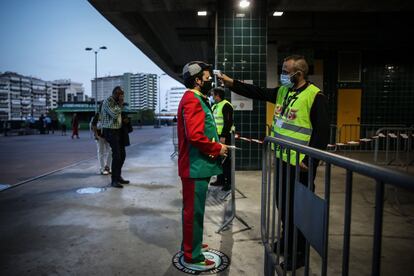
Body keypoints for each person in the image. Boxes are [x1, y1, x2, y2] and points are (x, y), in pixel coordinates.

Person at [217, 55, 329, 270]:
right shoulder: (283, 92)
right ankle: (287, 241)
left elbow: (322, 133)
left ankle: (299, 253)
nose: (283, 74)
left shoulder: (315, 96)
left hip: (301, 165)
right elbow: (257, 92)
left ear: (299, 73)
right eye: (283, 70)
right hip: (283, 159)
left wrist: (310, 161)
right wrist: (232, 83)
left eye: (286, 71)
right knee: (283, 204)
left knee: (299, 208)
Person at [178, 61, 228, 270]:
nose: (210, 82)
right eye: (207, 79)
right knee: (194, 211)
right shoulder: (192, 100)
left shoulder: (197, 98)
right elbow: (196, 136)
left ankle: (191, 243)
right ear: (197, 81)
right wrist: (218, 148)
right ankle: (192, 254)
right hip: (195, 167)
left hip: (198, 166)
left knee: (192, 210)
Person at [101, 86, 130, 188]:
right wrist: (121, 104)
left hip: (118, 130)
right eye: (120, 94)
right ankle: (114, 180)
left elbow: (119, 115)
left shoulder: (117, 103)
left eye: (123, 94)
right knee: (116, 156)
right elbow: (114, 114)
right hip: (110, 131)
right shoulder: (108, 101)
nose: (122, 96)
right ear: (115, 94)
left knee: (122, 155)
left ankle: (118, 176)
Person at [210, 87, 234, 198]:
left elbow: (228, 122)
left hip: (224, 137)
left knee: (226, 161)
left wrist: (223, 136)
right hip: (216, 136)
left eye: (213, 94)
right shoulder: (214, 106)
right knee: (218, 159)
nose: (212, 96)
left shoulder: (226, 105)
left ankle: (228, 183)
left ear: (218, 95)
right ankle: (220, 180)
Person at [90, 103, 112, 175]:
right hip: (99, 136)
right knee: (101, 152)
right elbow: (93, 125)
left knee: (110, 152)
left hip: (107, 136)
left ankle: (107, 167)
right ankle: (102, 169)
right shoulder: (97, 115)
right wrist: (96, 135)